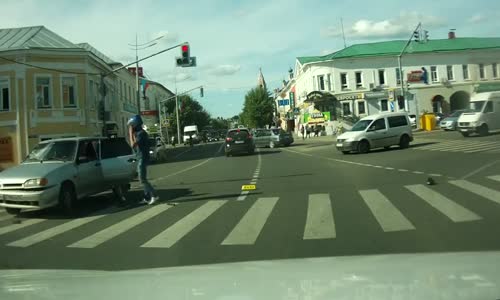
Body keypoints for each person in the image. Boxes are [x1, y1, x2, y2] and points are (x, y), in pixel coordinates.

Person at [128, 115, 159, 205]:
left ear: (135, 125)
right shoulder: (138, 133)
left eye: (131, 125)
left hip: (143, 158)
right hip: (140, 158)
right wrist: (133, 134)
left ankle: (154, 195)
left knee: (142, 179)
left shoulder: (141, 133)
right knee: (141, 178)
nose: (131, 127)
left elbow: (133, 145)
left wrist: (130, 133)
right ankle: (146, 197)